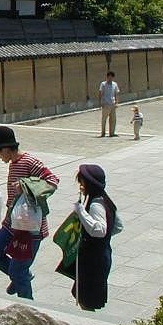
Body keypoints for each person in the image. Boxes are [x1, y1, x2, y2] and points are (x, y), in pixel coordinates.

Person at [0, 125, 59, 299]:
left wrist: (26, 186)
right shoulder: (14, 163)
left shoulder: (30, 161)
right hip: (12, 223)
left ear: (6, 149)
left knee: (19, 270)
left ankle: (27, 303)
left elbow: (52, 181)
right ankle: (20, 276)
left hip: (30, 228)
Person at [72, 164, 122, 311]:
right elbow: (118, 226)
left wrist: (81, 211)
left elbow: (99, 230)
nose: (80, 186)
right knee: (86, 295)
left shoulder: (95, 204)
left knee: (86, 299)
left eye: (82, 182)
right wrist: (105, 240)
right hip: (103, 254)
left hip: (93, 259)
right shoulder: (107, 200)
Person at [98, 71, 119, 137]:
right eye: (109, 77)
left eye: (111, 77)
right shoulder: (103, 84)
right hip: (106, 104)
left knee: (113, 119)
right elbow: (100, 93)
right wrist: (101, 102)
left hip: (112, 103)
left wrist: (117, 102)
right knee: (104, 119)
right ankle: (103, 132)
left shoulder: (115, 84)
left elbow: (116, 93)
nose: (110, 79)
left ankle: (112, 133)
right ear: (107, 77)